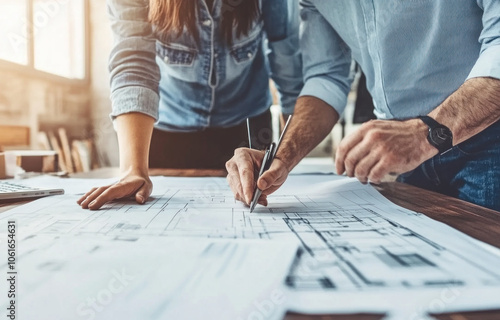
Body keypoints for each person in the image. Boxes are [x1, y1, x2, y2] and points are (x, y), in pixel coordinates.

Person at [226, 0, 500, 211]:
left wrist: (425, 134)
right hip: (404, 159)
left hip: (488, 141)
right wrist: (281, 158)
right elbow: (326, 77)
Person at [78, 0, 303, 210]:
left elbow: (286, 55)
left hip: (248, 127)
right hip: (166, 131)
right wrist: (133, 170)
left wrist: (288, 154)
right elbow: (134, 61)